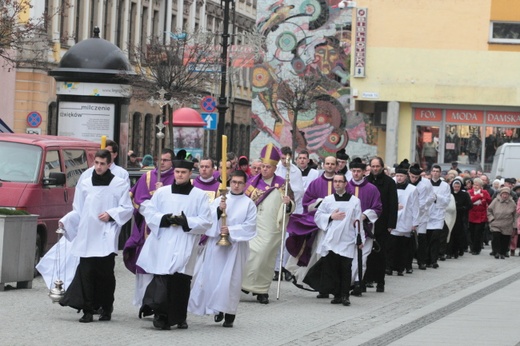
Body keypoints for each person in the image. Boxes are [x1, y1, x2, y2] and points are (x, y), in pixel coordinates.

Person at [136, 158, 212, 330]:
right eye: (177, 172)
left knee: (181, 281)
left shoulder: (199, 196)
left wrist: (186, 221)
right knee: (163, 279)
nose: (179, 175)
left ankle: (180, 317)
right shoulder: (162, 193)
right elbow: (150, 212)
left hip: (185, 242)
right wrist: (165, 218)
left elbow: (206, 221)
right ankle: (161, 315)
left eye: (183, 172)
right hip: (165, 241)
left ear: (189, 174)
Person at [58, 149, 133, 323]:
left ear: (109, 165)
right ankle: (88, 310)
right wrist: (66, 221)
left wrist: (111, 214)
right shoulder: (85, 183)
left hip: (106, 234)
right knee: (86, 274)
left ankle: (106, 308)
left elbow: (127, 208)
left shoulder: (119, 184)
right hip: (87, 234)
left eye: (102, 164)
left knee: (105, 276)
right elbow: (78, 209)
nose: (98, 167)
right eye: (96, 163)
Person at [188, 170, 257, 328]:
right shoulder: (220, 200)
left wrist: (231, 230)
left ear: (245, 184)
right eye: (234, 182)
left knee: (231, 281)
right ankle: (217, 309)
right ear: (229, 182)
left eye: (240, 183)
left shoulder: (249, 204)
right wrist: (219, 211)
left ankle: (230, 313)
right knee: (215, 278)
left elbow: (250, 226)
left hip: (236, 247)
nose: (236, 185)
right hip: (216, 245)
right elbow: (207, 219)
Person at [241, 143, 294, 305]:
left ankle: (262, 290)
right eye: (263, 166)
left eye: (268, 167)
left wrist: (288, 203)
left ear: (274, 168)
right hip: (253, 225)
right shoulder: (252, 183)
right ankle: (246, 284)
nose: (264, 169)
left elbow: (292, 203)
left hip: (271, 227)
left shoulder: (282, 184)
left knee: (265, 256)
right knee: (250, 254)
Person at [123, 148, 176, 307]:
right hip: (148, 228)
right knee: (147, 262)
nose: (162, 163)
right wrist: (153, 207)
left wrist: (164, 193)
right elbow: (138, 199)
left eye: (166, 160)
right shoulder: (147, 177)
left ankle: (162, 302)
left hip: (170, 227)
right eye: (159, 159)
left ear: (172, 161)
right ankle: (144, 302)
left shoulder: (177, 177)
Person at [303, 173, 363, 306]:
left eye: (340, 181)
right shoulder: (328, 200)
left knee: (346, 268)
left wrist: (360, 238)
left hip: (347, 238)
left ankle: (345, 295)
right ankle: (336, 295)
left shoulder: (354, 201)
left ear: (345, 183)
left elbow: (358, 221)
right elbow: (318, 216)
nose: (337, 184)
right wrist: (331, 216)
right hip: (332, 239)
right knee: (333, 267)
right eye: (335, 181)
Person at [285, 156, 337, 294]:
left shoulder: (342, 182)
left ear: (336, 166)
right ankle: (320, 285)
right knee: (319, 254)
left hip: (338, 225)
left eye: (332, 164)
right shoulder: (316, 183)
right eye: (328, 163)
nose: (330, 166)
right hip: (320, 225)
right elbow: (307, 203)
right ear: (323, 165)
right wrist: (320, 202)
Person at [346, 158, 382, 294]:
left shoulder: (372, 189)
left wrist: (365, 215)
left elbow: (378, 207)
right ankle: (348, 282)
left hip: (365, 229)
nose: (355, 174)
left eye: (358, 171)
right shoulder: (346, 187)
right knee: (350, 256)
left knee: (362, 257)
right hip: (348, 229)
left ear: (363, 172)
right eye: (353, 171)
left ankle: (358, 282)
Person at [365, 156, 398, 292]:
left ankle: (380, 281)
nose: (375, 169)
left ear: (382, 167)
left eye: (377, 166)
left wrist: (391, 224)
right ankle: (366, 280)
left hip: (383, 223)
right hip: (368, 223)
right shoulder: (366, 181)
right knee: (367, 253)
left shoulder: (389, 182)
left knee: (381, 253)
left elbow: (393, 204)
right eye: (372, 166)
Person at [273, 146, 304, 281]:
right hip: (275, 207)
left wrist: (289, 191)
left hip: (289, 208)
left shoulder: (295, 171)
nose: (285, 161)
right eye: (282, 158)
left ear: (291, 157)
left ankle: (284, 267)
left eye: (287, 158)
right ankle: (274, 269)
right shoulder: (276, 168)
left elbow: (299, 191)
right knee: (275, 238)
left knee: (286, 240)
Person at [387, 163, 419, 276]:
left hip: (406, 219)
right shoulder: (391, 186)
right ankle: (389, 267)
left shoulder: (412, 189)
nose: (399, 178)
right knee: (392, 247)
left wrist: (415, 222)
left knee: (403, 247)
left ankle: (401, 268)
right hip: (394, 220)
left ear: (406, 176)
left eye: (401, 176)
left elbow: (415, 206)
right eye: (397, 175)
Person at [408, 163, 435, 270]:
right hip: (408, 215)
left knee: (421, 238)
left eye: (416, 177)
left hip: (422, 214)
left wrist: (424, 207)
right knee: (409, 239)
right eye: (412, 176)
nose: (414, 179)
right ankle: (408, 262)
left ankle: (421, 261)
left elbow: (431, 196)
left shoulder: (426, 183)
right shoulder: (406, 182)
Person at [425, 165, 451, 268]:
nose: (435, 173)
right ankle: (426, 259)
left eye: (437, 171)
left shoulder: (445, 186)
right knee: (427, 238)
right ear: (431, 172)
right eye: (433, 171)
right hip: (427, 214)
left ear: (440, 173)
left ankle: (434, 260)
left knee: (436, 238)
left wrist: (436, 197)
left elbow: (447, 200)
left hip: (438, 215)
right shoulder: (426, 184)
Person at [487, 187, 517, 259]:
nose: (505, 196)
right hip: (496, 222)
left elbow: (515, 214)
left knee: (505, 239)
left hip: (507, 224)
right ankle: (496, 252)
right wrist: (491, 219)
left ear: (509, 195)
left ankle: (503, 253)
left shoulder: (512, 203)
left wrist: (514, 225)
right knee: (496, 237)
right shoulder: (495, 201)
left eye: (506, 194)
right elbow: (489, 210)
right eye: (503, 194)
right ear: (501, 194)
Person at [447, 179, 472, 259]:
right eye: (455, 186)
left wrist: (462, 208)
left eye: (458, 187)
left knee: (458, 235)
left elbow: (469, 205)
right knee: (450, 234)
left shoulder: (464, 195)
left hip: (460, 217)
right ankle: (449, 251)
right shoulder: (449, 194)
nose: (456, 188)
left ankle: (457, 250)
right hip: (450, 216)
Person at [467, 177, 491, 255]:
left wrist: (481, 198)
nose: (475, 186)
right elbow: (470, 201)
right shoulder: (469, 192)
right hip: (472, 215)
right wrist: (479, 197)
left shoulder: (485, 192)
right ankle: (472, 247)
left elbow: (489, 201)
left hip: (481, 216)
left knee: (478, 233)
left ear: (481, 186)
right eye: (474, 184)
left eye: (477, 185)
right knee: (472, 233)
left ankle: (477, 249)